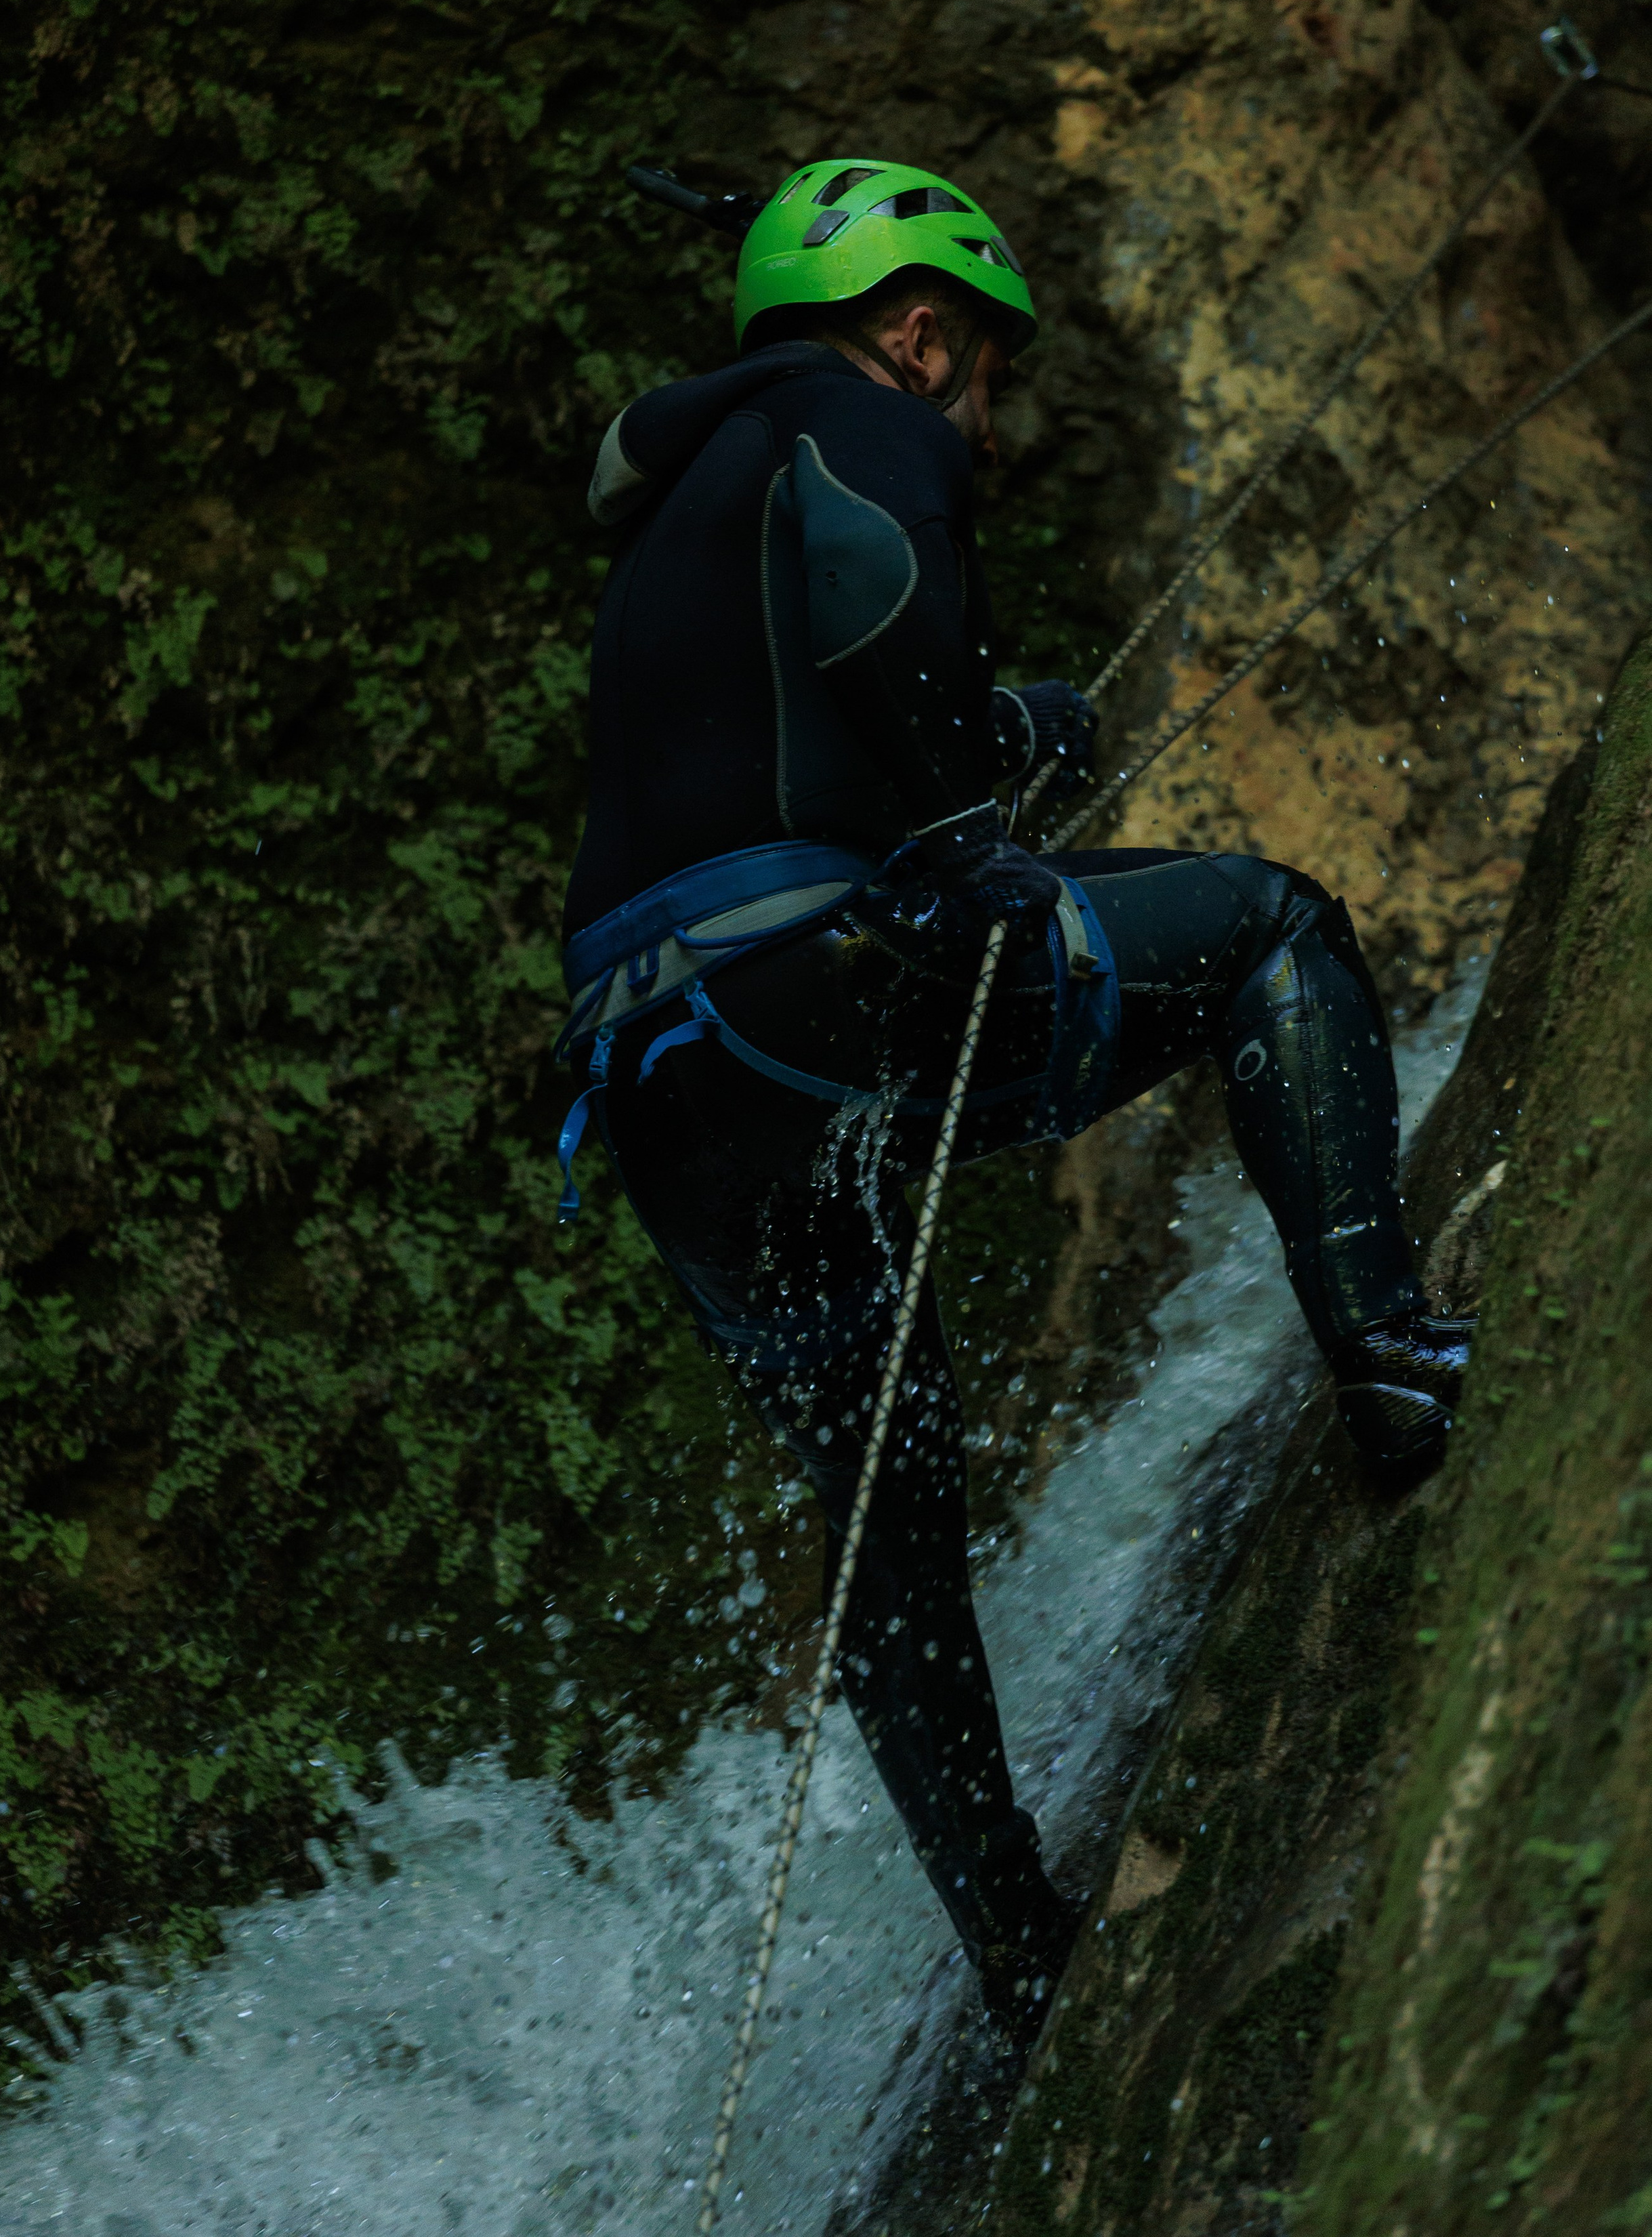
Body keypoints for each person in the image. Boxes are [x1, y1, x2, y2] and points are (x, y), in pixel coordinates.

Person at [554, 158, 1470, 2039]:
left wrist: (990, 741)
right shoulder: (851, 417)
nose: (990, 424)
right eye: (983, 381)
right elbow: (876, 575)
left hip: (659, 1092)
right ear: (917, 331)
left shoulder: (667, 524)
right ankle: (1389, 1360)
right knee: (1274, 933)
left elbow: (775, 747)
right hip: (822, 984)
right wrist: (979, 798)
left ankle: (1020, 1949)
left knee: (889, 1491)